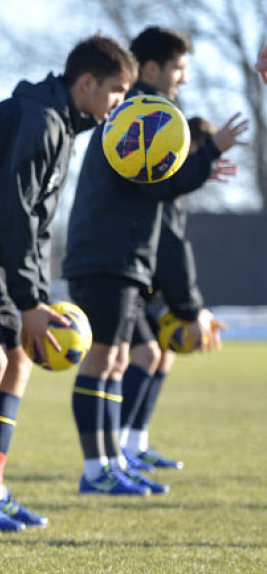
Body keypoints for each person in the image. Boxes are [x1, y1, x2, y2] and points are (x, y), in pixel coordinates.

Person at [0, 35, 136, 532]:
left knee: (18, 362)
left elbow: (34, 228)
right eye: (117, 92)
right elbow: (18, 218)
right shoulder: (38, 122)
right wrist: (31, 301)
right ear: (87, 82)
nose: (118, 105)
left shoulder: (56, 121)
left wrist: (39, 297)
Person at [62, 26, 243, 498]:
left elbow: (160, 187)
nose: (181, 79)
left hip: (120, 258)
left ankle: (113, 460)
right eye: (177, 69)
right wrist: (206, 160)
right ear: (152, 69)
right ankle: (99, 467)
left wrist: (199, 167)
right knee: (106, 360)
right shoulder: (143, 114)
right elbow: (157, 184)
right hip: (108, 257)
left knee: (122, 357)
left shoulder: (148, 112)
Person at [120, 116, 240, 472]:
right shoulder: (162, 182)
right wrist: (192, 309)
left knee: (164, 353)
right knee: (146, 354)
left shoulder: (180, 189)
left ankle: (134, 443)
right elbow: (170, 247)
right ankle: (116, 449)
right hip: (126, 277)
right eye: (203, 158)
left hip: (151, 284)